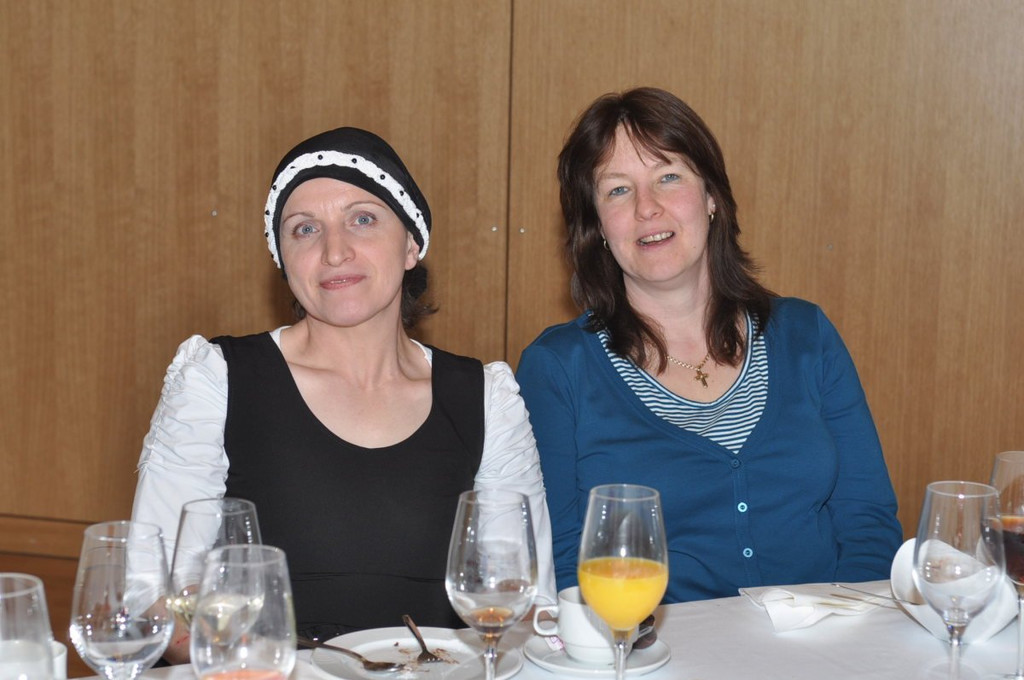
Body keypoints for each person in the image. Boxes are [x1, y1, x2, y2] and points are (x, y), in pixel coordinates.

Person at [132, 127, 556, 660]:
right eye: (305, 229)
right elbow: (153, 597)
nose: (334, 251)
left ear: (411, 244)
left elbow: (524, 606)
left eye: (362, 219)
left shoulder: (485, 398)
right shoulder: (217, 381)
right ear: (284, 259)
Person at [516, 87, 902, 603]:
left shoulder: (806, 335)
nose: (647, 208)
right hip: (650, 642)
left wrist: (845, 623)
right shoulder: (557, 368)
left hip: (825, 635)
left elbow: (867, 519)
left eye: (668, 177)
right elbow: (561, 561)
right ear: (598, 226)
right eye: (618, 190)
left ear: (712, 197)